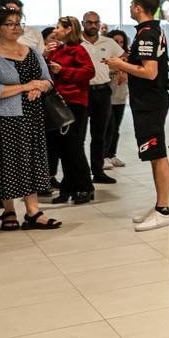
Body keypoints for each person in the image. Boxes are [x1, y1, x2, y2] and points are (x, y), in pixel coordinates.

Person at [0, 8, 62, 231]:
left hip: (32, 116)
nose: (15, 28)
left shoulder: (31, 51)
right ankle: (9, 210)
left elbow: (48, 80)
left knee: (31, 162)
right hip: (4, 118)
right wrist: (26, 86)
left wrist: (40, 87)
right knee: (7, 163)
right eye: (9, 24)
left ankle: (33, 212)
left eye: (18, 23)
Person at [105, 0, 169, 231]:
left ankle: (163, 210)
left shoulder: (147, 33)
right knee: (153, 153)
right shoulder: (149, 30)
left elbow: (150, 72)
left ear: (137, 8)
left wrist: (120, 64)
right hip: (147, 101)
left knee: (157, 153)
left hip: (150, 101)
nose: (130, 8)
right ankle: (160, 204)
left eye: (131, 5)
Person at [44, 16, 96, 205]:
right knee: (62, 147)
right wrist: (45, 56)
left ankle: (85, 186)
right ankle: (68, 187)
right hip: (57, 102)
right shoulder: (57, 50)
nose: (55, 30)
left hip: (74, 103)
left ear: (68, 30)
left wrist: (63, 71)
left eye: (58, 27)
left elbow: (89, 72)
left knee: (73, 146)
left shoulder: (78, 50)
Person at [79, 12, 123, 185]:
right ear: (83, 23)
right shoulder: (76, 42)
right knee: (79, 136)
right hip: (82, 91)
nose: (93, 25)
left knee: (100, 135)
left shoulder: (108, 42)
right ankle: (81, 174)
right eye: (89, 22)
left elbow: (123, 58)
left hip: (103, 91)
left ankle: (98, 172)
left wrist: (120, 70)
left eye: (96, 22)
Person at [103, 29, 129, 169]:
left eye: (121, 42)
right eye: (115, 42)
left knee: (116, 128)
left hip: (120, 97)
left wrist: (124, 70)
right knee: (109, 127)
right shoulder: (105, 57)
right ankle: (104, 156)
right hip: (107, 97)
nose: (119, 45)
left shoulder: (126, 59)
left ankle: (112, 154)